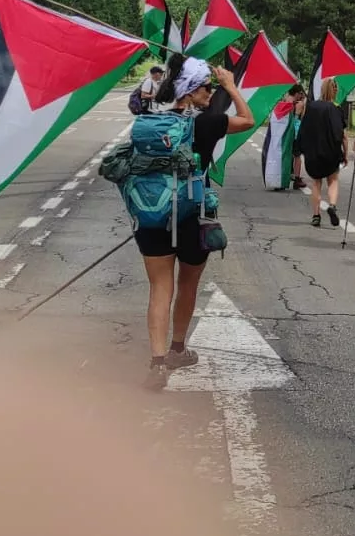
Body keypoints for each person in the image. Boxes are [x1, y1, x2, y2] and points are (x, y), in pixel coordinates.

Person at [123, 55, 255, 387]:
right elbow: (247, 120)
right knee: (187, 284)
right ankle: (177, 349)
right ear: (191, 90)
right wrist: (231, 86)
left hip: (151, 214)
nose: (211, 93)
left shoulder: (150, 123)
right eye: (207, 88)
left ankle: (156, 363)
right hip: (192, 216)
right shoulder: (207, 122)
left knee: (159, 288)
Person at [297, 78, 349, 227]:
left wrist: (301, 148)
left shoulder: (311, 106)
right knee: (332, 180)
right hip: (331, 151)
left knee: (316, 183)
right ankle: (332, 205)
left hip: (313, 152)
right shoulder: (337, 108)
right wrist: (345, 154)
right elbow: (343, 135)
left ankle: (316, 215)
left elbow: (304, 128)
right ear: (335, 91)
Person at [262, 84, 305, 191]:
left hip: (279, 136)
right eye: (300, 94)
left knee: (280, 156)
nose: (302, 96)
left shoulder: (280, 104)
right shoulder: (294, 105)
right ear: (296, 93)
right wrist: (299, 113)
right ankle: (296, 178)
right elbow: (294, 124)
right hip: (291, 135)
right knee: (296, 156)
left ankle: (277, 179)